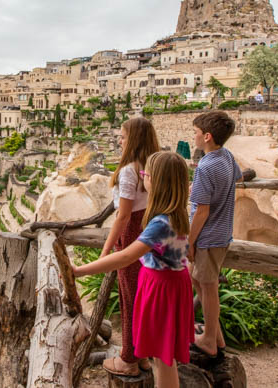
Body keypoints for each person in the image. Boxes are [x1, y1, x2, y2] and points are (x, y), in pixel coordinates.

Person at [74, 152, 194, 388]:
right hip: (171, 285)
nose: (142, 178)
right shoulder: (177, 214)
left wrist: (79, 270)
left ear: (157, 182)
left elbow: (126, 256)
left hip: (161, 290)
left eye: (145, 174)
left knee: (162, 359)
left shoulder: (160, 223)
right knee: (163, 355)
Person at [99, 117, 160, 375]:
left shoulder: (128, 171)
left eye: (123, 136)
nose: (119, 140)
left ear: (132, 139)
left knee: (129, 297)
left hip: (131, 233)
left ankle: (128, 360)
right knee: (141, 296)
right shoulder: (152, 166)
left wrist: (105, 251)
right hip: (148, 230)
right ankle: (142, 355)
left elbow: (123, 216)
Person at [188, 110, 242, 359]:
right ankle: (216, 335)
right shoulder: (226, 157)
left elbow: (201, 210)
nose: (194, 136)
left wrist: (189, 241)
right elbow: (237, 178)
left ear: (207, 136)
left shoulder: (206, 167)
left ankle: (209, 339)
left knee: (207, 288)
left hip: (207, 237)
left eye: (196, 132)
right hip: (222, 233)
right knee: (200, 282)